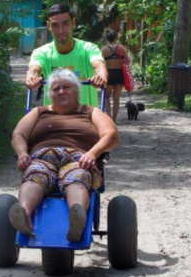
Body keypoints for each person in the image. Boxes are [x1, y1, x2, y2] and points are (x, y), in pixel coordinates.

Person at [10, 68, 119, 242]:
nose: (61, 91)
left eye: (66, 87)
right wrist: (22, 153)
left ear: (77, 90)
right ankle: (23, 213)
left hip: (79, 159)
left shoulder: (91, 112)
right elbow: (18, 135)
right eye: (56, 88)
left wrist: (93, 153)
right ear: (49, 94)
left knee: (77, 177)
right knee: (35, 174)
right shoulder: (38, 113)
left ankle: (77, 215)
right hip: (42, 158)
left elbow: (111, 135)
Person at [25, 3, 107, 107]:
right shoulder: (41, 53)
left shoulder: (88, 49)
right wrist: (32, 75)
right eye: (55, 25)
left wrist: (100, 76)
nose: (61, 30)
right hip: (55, 121)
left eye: (65, 24)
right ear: (48, 26)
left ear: (73, 23)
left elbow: (99, 65)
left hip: (86, 120)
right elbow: (34, 69)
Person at [101, 28, 132, 122]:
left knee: (106, 97)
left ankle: (109, 116)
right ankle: (114, 119)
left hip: (109, 74)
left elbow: (100, 62)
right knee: (116, 98)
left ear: (107, 38)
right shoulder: (121, 48)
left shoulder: (104, 49)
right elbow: (128, 61)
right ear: (116, 38)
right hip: (119, 74)